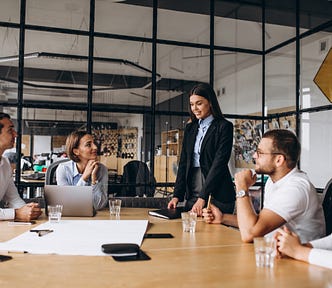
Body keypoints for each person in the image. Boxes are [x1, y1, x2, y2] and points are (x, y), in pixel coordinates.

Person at [203, 129, 325, 243]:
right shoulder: (273, 181)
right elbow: (258, 223)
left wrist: (242, 188)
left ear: (279, 160)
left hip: (297, 262)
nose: (254, 156)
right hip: (275, 254)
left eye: (260, 153)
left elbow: (249, 234)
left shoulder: (296, 188)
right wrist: (222, 218)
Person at [167, 83, 235, 216]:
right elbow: (184, 162)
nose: (194, 108)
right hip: (193, 191)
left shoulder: (224, 127)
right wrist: (177, 195)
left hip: (218, 193)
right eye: (192, 104)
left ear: (210, 102)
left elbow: (219, 164)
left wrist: (203, 197)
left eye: (199, 103)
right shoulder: (190, 128)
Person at [0, 112, 42, 221]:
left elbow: (13, 199)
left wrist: (27, 209)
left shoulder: (5, 163)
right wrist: (17, 214)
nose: (16, 134)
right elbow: (16, 212)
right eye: (10, 130)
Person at [56, 130, 108, 210]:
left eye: (94, 143)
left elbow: (99, 206)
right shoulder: (63, 169)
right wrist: (84, 178)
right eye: (88, 145)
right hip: (70, 218)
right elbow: (68, 204)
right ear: (76, 151)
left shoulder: (102, 170)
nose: (95, 147)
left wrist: (94, 179)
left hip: (94, 219)